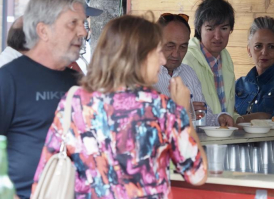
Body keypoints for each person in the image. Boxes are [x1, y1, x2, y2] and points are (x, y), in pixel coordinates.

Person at [33, 15, 207, 198]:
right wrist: (183, 111)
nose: (163, 60)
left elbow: (44, 171)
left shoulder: (74, 102)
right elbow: (197, 174)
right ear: (138, 56)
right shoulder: (162, 108)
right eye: (158, 52)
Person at [0, 0, 88, 199]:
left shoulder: (78, 82)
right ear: (43, 31)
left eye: (83, 24)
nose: (83, 32)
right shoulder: (8, 80)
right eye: (72, 23)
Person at [155, 13, 234, 126]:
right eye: (170, 46)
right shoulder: (142, 76)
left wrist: (218, 119)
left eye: (183, 46)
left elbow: (203, 116)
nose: (176, 54)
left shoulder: (188, 73)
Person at [235, 16, 274, 123]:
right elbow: (224, 120)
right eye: (258, 46)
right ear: (249, 50)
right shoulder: (238, 84)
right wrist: (262, 116)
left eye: (271, 47)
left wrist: (239, 120)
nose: (264, 52)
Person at [182, 0, 238, 121]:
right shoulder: (187, 61)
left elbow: (224, 108)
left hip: (223, 136)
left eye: (224, 28)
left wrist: (237, 118)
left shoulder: (226, 58)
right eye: (210, 29)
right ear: (199, 29)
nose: (217, 36)